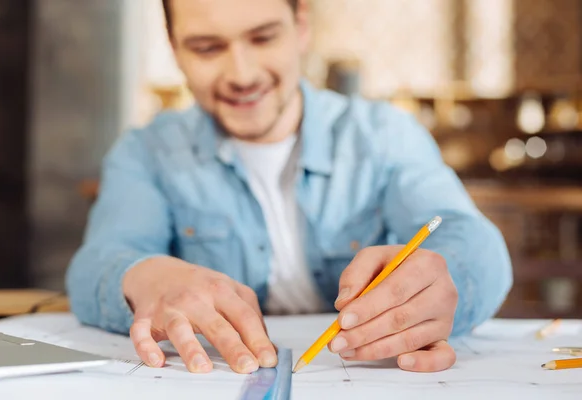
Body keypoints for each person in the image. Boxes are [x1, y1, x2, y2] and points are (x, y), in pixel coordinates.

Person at [65, 0, 513, 376]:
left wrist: (443, 281)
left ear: (301, 27)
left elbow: (473, 241)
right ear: (174, 49)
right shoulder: (146, 152)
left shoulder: (384, 135)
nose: (241, 73)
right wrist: (149, 279)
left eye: (263, 38)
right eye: (206, 48)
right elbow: (96, 265)